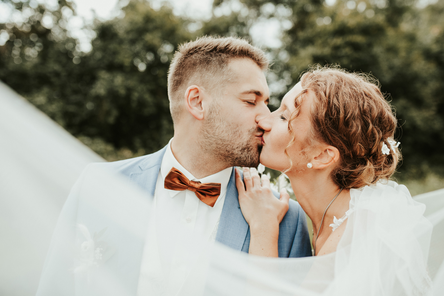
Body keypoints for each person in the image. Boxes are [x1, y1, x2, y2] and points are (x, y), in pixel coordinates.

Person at [36, 36, 312, 296]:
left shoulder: (286, 219)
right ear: (197, 102)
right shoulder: (98, 186)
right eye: (251, 101)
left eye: (266, 103)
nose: (266, 119)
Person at [234, 66, 433, 294]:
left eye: (283, 116)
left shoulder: (357, 236)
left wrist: (264, 227)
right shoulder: (335, 218)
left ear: (321, 156)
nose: (263, 122)